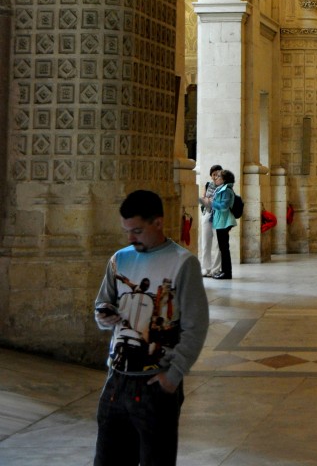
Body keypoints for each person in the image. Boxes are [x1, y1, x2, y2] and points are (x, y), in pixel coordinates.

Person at [93, 189, 209, 466]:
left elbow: (196, 324)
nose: (130, 239)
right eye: (127, 231)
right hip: (116, 380)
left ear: (158, 222)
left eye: (137, 231)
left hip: (155, 384)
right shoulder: (119, 259)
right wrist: (103, 316)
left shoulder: (183, 263)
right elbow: (102, 304)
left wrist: (174, 375)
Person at [211, 169, 237, 279]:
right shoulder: (221, 189)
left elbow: (224, 206)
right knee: (223, 247)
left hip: (224, 221)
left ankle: (227, 272)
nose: (216, 178)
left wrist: (211, 203)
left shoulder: (226, 190)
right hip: (221, 220)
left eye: (218, 177)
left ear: (224, 180)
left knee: (224, 248)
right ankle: (224, 271)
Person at [198, 163, 223, 278]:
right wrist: (207, 201)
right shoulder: (208, 185)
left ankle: (216, 268)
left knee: (218, 243)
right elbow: (204, 197)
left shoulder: (224, 186)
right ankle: (205, 268)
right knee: (205, 242)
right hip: (207, 214)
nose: (215, 176)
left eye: (217, 174)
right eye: (213, 174)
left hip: (219, 215)